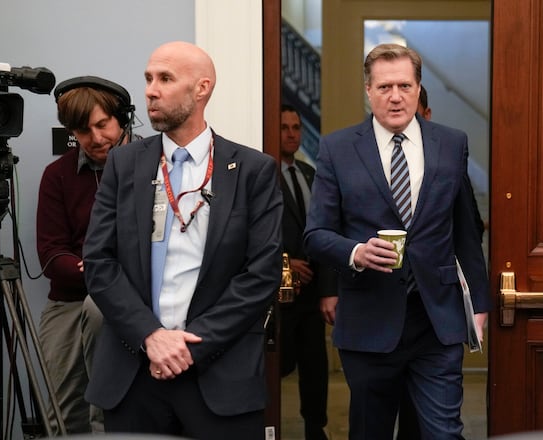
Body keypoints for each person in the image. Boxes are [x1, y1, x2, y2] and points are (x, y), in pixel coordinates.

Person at [82, 41, 283, 438]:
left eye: (165, 79)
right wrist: (151, 336)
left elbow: (261, 274)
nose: (151, 90)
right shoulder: (124, 164)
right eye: (148, 79)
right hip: (134, 373)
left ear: (202, 89)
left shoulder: (253, 171)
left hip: (219, 374)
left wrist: (190, 347)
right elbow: (99, 260)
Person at [304, 43, 490, 439]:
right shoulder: (337, 149)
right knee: (371, 432)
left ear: (419, 88)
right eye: (385, 86)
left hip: (436, 321)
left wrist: (479, 304)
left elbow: (465, 233)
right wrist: (355, 252)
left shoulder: (451, 143)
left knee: (443, 432)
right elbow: (315, 234)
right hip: (369, 322)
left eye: (405, 85)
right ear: (368, 91)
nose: (395, 96)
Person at [37, 75, 138, 434]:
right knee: (62, 412)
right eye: (83, 131)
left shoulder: (155, 165)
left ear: (121, 117)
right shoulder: (57, 176)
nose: (96, 139)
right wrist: (97, 270)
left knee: (112, 410)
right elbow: (50, 253)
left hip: (132, 295)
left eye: (102, 125)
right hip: (69, 299)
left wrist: (109, 276)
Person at [278, 103, 336, 440]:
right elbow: (255, 235)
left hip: (313, 286)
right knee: (280, 363)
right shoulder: (261, 173)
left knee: (315, 366)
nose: (291, 133)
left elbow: (324, 230)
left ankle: (316, 427)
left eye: (296, 127)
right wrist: (286, 267)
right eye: (284, 127)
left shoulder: (309, 174)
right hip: (281, 285)